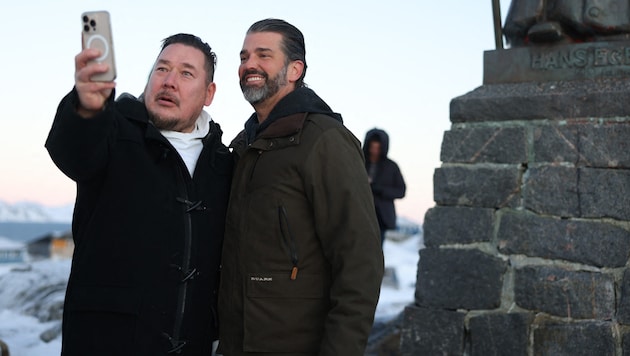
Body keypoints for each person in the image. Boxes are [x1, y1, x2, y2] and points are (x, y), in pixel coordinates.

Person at [45, 33, 232, 355]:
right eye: (162, 69)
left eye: (186, 73)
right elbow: (73, 152)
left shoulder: (224, 165)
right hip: (105, 343)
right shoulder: (112, 131)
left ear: (209, 93)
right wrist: (87, 108)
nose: (169, 81)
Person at [217, 19, 384, 356]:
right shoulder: (242, 147)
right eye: (244, 56)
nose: (249, 64)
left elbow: (359, 262)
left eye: (264, 55)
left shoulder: (324, 140)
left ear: (295, 70)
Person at [363, 128, 406, 246]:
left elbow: (401, 191)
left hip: (381, 217)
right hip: (360, 212)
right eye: (372, 147)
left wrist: (380, 189)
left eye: (378, 148)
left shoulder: (391, 167)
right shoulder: (359, 162)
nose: (374, 151)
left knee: (376, 248)